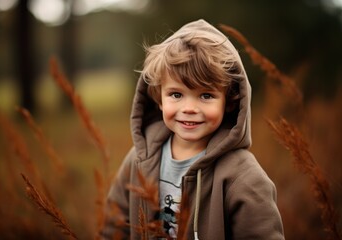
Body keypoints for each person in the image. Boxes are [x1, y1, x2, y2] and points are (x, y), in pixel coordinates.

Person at [101, 19, 284, 239]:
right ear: (159, 98)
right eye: (176, 94)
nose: (189, 108)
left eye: (206, 95)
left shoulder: (243, 177)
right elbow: (114, 226)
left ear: (230, 102)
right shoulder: (140, 159)